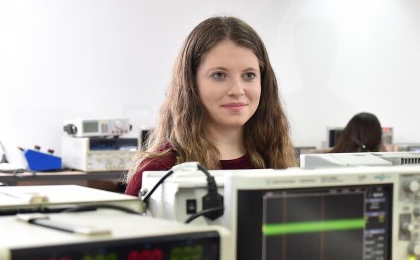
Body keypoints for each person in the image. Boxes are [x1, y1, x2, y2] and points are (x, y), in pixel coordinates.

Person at [125, 16, 294, 196]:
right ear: (191, 83)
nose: (237, 90)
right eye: (219, 75)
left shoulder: (276, 160)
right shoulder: (158, 171)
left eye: (249, 75)